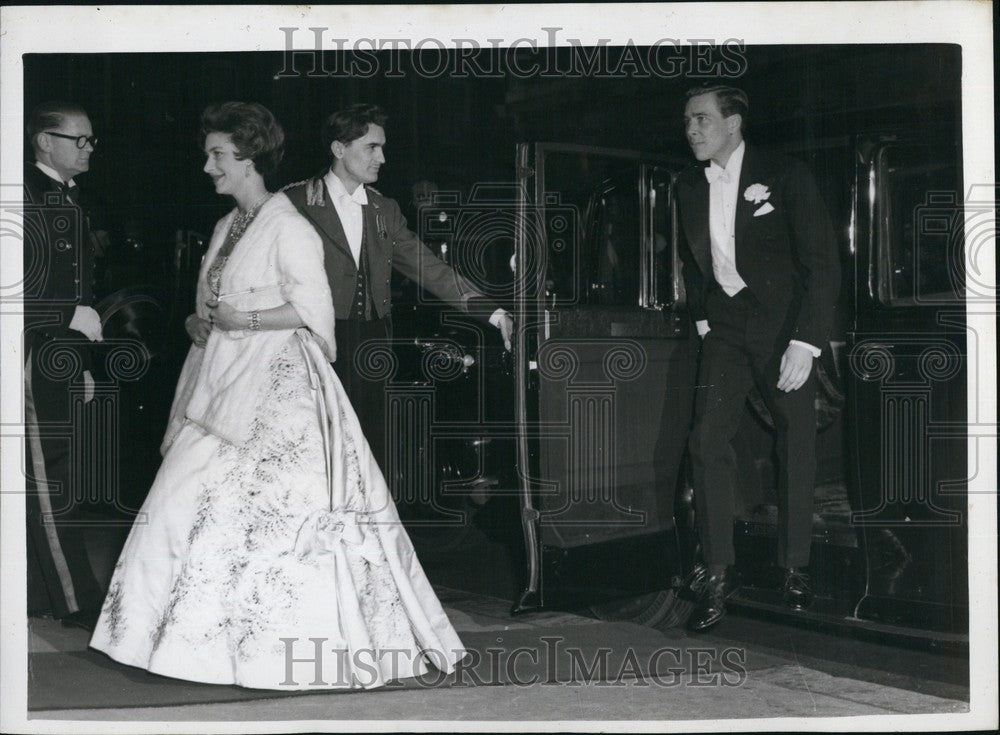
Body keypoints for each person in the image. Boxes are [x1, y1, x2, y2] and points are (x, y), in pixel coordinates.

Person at [89, 102, 466, 690]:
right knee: (187, 502)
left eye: (217, 155)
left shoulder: (287, 222)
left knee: (270, 516)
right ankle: (191, 645)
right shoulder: (224, 226)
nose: (208, 165)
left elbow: (313, 311)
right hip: (219, 382)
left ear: (247, 158)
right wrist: (199, 321)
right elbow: (212, 302)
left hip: (278, 386)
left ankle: (278, 648)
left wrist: (245, 319)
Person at [675, 85, 839, 630]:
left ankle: (795, 565)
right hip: (724, 327)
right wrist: (702, 317)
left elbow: (822, 263)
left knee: (795, 440)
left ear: (735, 121)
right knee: (706, 439)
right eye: (688, 122)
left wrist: (807, 341)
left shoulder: (785, 174)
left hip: (783, 330)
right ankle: (719, 569)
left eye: (701, 119)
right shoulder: (686, 187)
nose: (692, 130)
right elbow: (694, 260)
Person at [283, 104, 514, 469]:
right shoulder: (294, 202)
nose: (383, 158)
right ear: (339, 149)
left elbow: (430, 268)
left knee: (370, 450)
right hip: (313, 344)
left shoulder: (384, 209)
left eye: (383, 147)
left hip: (372, 343)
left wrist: (494, 312)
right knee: (317, 450)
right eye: (372, 147)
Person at [22, 101, 105, 631]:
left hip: (62, 356)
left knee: (51, 475)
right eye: (79, 139)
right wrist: (67, 314)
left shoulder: (69, 198)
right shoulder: (23, 196)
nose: (89, 148)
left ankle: (37, 593)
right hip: (32, 354)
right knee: (52, 477)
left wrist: (83, 365)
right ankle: (75, 598)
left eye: (91, 140)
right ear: (44, 141)